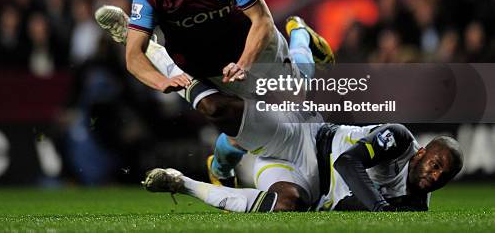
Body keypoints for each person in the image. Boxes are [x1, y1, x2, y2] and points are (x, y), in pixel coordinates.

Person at [96, 0, 334, 187]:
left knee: (289, 108)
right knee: (216, 109)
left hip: (254, 54)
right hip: (202, 70)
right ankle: (145, 42)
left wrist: (243, 64)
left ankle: (300, 34)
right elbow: (132, 58)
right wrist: (161, 81)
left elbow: (262, 22)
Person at [142, 123, 463, 213]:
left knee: (286, 204)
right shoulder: (400, 139)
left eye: (443, 177)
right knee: (238, 122)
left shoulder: (414, 206)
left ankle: (181, 182)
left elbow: (346, 205)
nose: (435, 177)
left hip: (307, 185)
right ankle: (300, 38)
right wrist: (379, 207)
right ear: (420, 154)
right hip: (306, 142)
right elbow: (348, 162)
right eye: (435, 165)